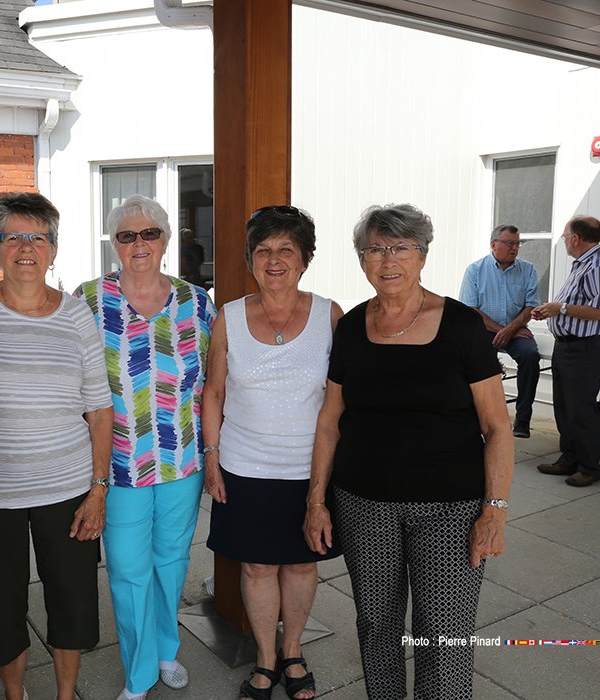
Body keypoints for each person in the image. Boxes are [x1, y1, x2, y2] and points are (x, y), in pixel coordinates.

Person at [304, 204, 512, 700]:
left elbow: (497, 426)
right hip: (363, 503)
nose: (387, 259)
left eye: (400, 247)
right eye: (375, 249)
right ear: (362, 259)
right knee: (376, 625)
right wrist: (316, 500)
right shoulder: (351, 327)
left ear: (422, 255)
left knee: (445, 631)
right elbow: (329, 421)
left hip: (451, 508)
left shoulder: (461, 326)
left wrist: (495, 510)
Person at [0, 192, 112, 700]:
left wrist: (98, 488)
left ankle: (65, 695)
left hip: (68, 489)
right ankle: (14, 695)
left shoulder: (76, 315)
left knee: (73, 603)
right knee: (1, 610)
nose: (26, 248)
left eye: (38, 238)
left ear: (53, 250)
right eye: (12, 237)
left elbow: (99, 408)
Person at [75, 195, 216, 700]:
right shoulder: (88, 301)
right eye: (127, 235)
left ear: (165, 240)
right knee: (127, 569)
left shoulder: (197, 302)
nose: (139, 244)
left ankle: (165, 650)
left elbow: (215, 382)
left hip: (182, 459)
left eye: (149, 233)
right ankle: (138, 674)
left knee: (172, 563)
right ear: (114, 243)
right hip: (118, 465)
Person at [203, 205, 343, 700]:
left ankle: (293, 651)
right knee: (258, 566)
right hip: (244, 465)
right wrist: (212, 457)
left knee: (302, 564)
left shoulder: (329, 315)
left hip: (310, 468)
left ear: (305, 258)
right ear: (251, 260)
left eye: (287, 249)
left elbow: (340, 399)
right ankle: (266, 658)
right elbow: (214, 391)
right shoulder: (229, 316)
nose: (274, 259)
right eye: (263, 250)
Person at [531, 215, 600, 487]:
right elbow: (575, 305)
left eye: (564, 236)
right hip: (567, 345)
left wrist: (560, 308)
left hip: (584, 348)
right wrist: (551, 310)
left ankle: (589, 468)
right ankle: (569, 459)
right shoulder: (583, 264)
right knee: (564, 406)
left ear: (575, 238)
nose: (563, 241)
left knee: (581, 408)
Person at [459, 224, 541, 438]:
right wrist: (502, 330)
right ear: (493, 244)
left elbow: (531, 306)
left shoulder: (528, 270)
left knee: (530, 356)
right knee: (473, 359)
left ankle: (522, 420)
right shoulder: (475, 270)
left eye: (518, 243)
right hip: (484, 329)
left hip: (516, 328)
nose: (515, 248)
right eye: (509, 243)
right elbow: (471, 310)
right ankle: (475, 415)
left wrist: (511, 330)